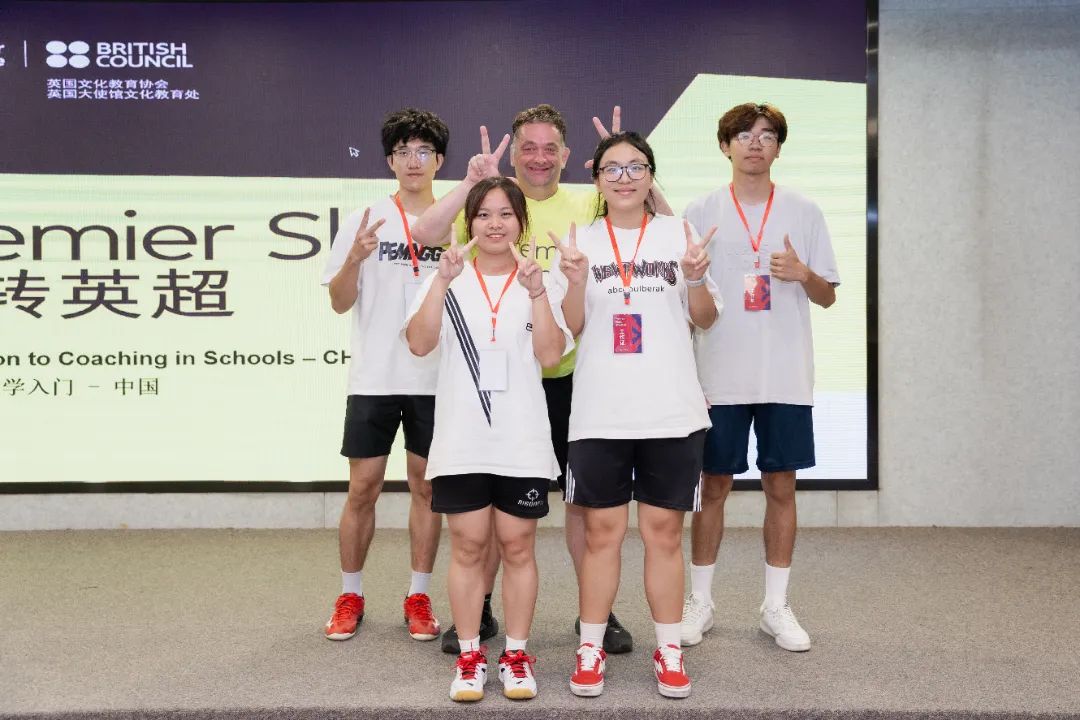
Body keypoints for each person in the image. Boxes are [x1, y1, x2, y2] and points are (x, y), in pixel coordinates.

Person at [412, 104, 668, 655]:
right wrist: (470, 183)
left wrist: (627, 155)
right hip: (497, 385)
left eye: (550, 147)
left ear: (567, 155)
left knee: (580, 502)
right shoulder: (487, 202)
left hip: (574, 375)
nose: (538, 157)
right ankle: (479, 607)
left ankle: (594, 612)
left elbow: (657, 222)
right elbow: (424, 232)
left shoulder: (587, 200)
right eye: (527, 146)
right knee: (487, 503)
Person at [549, 131, 720, 699]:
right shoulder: (579, 241)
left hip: (671, 413)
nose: (624, 177)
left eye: (636, 167)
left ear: (651, 176)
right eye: (612, 169)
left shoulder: (679, 234)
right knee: (602, 534)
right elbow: (572, 327)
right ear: (597, 179)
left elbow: (706, 317)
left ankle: (669, 650)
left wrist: (695, 277)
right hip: (600, 414)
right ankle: (590, 648)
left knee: (664, 534)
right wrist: (576, 281)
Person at [679, 102, 839, 653]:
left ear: (778, 147)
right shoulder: (700, 210)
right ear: (725, 145)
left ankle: (776, 605)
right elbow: (686, 298)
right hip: (718, 373)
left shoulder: (804, 210)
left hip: (784, 374)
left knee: (781, 485)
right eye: (743, 135)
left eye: (766, 135)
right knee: (712, 486)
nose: (754, 143)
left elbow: (827, 296)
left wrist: (804, 273)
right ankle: (700, 601)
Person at [405, 177, 572, 702]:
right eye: (483, 214)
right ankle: (471, 655)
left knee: (518, 546)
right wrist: (440, 282)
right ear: (468, 221)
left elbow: (551, 356)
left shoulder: (540, 281)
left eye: (505, 214)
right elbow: (418, 344)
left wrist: (538, 292)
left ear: (522, 222)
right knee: (469, 546)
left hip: (521, 440)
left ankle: (516, 655)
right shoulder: (447, 277)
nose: (494, 224)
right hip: (462, 440)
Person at [320, 108, 450, 644]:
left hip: (436, 378)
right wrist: (353, 259)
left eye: (423, 151)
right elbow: (338, 301)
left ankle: (419, 595)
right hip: (374, 377)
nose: (413, 161)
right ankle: (350, 594)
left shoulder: (455, 220)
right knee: (362, 488)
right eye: (402, 152)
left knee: (427, 488)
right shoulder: (365, 218)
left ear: (439, 160)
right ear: (389, 161)